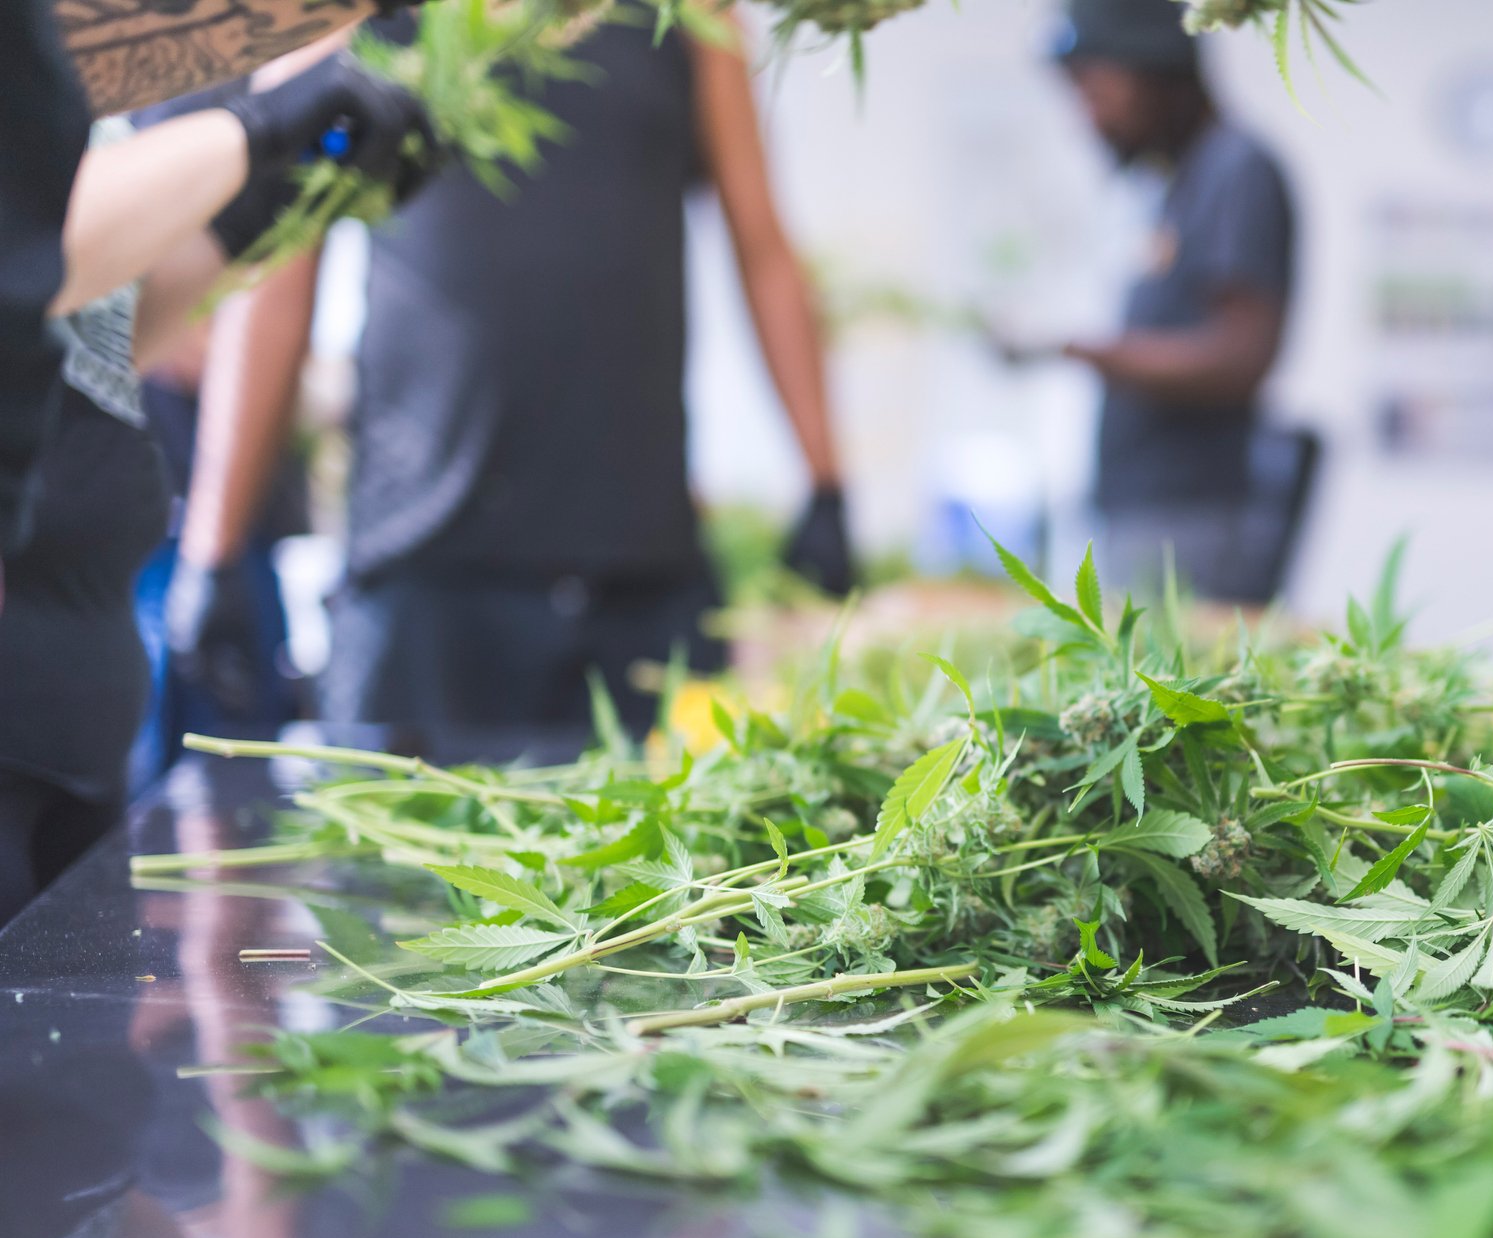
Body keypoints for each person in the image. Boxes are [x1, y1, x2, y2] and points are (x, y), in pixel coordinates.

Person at [172, 12, 854, 736]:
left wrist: (825, 485)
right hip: (421, 577)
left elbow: (762, 247)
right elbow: (279, 271)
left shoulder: (688, 16)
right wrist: (212, 553)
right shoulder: (353, 19)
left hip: (644, 577)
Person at [0, 52, 435, 928]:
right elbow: (32, 249)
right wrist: (252, 129)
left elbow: (94, 338)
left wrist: (255, 220)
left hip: (69, 729)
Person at [1044, 0, 1296, 597]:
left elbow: (1241, 355)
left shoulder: (1237, 170)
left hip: (1192, 519)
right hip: (1146, 511)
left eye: (1097, 90)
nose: (1091, 117)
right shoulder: (1177, 185)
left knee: (1168, 687)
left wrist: (1081, 350)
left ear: (1158, 74)